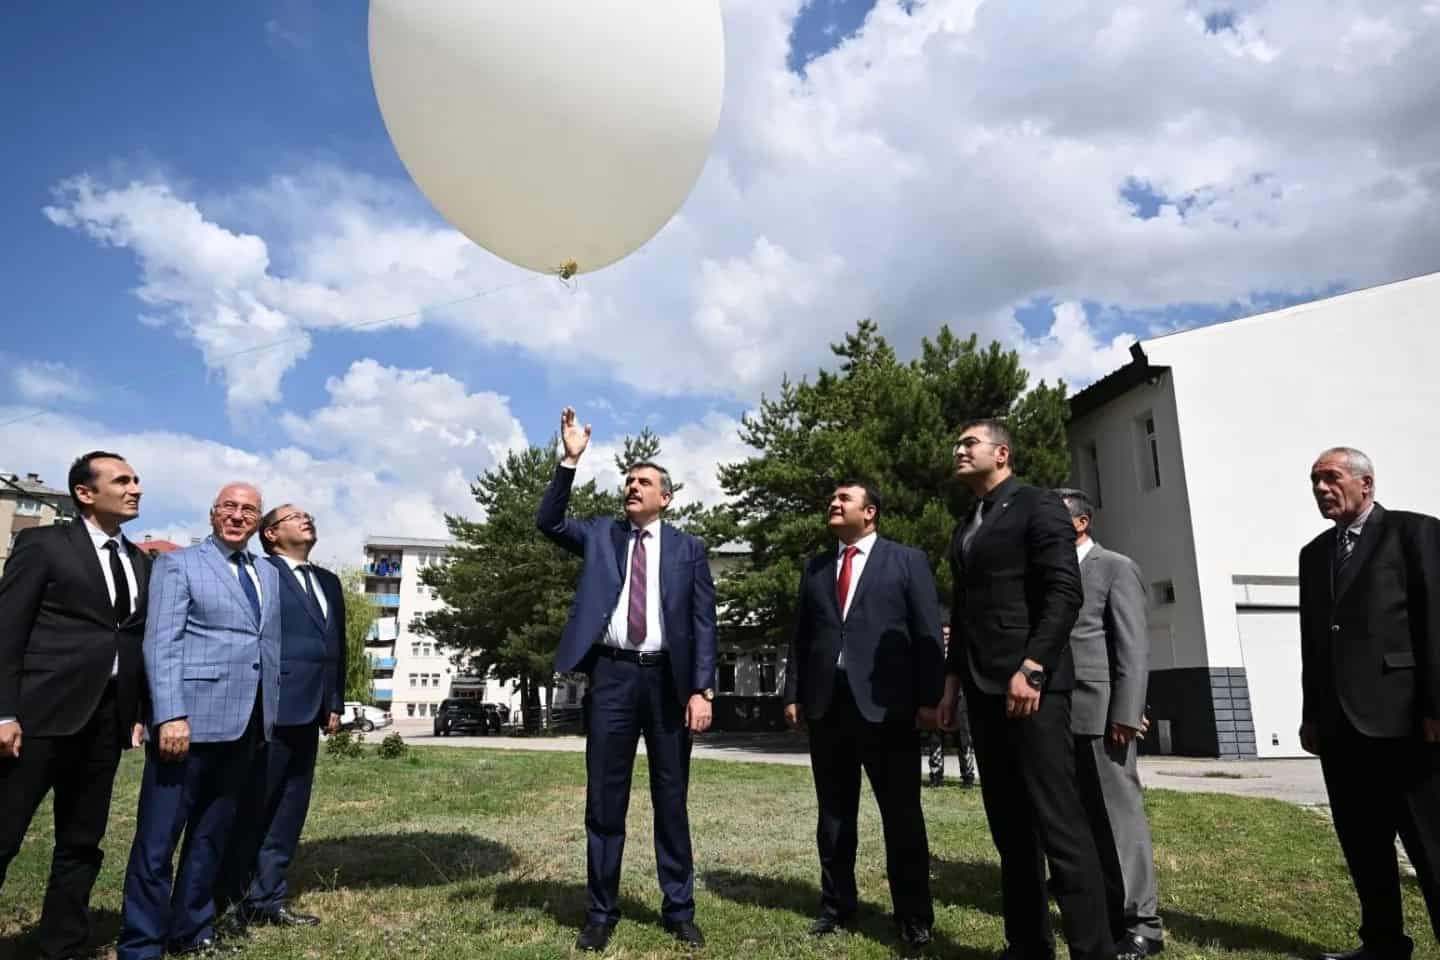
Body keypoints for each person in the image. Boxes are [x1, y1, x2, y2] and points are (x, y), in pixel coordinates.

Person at [537, 407, 717, 952]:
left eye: (644, 482)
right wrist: (570, 460)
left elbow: (704, 623)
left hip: (667, 682)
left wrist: (701, 688)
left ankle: (679, 908)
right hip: (612, 679)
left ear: (666, 496)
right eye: (628, 481)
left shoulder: (690, 549)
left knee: (671, 797)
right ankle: (600, 910)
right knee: (604, 799)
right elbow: (548, 522)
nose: (632, 488)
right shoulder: (599, 536)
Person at [938, 419, 1113, 960]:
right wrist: (951, 686)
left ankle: (1092, 948)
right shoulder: (969, 520)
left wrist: (1033, 666)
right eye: (958, 444)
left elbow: (1064, 592)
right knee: (1010, 828)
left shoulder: (1038, 506)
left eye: (970, 443)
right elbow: (965, 612)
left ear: (1002, 452)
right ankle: (1027, 945)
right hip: (982, 689)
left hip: (1031, 687)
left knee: (1058, 821)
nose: (959, 450)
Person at [117, 483, 282, 960]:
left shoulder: (265, 572)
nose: (238, 515)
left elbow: (264, 646)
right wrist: (169, 714)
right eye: (229, 506)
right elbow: (161, 643)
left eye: (248, 509)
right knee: (157, 842)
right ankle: (142, 942)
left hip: (244, 726)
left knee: (211, 837)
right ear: (212, 514)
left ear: (258, 521)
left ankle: (191, 930)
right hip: (186, 727)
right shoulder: (178, 564)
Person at [783, 479, 944, 951]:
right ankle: (836, 906)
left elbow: (927, 633)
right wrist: (793, 693)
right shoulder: (815, 569)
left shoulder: (906, 561)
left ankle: (913, 916)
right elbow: (801, 638)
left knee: (902, 817)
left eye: (844, 499)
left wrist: (930, 700)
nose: (833, 504)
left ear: (870, 512)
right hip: (827, 707)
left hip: (888, 710)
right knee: (833, 815)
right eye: (831, 499)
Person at [0, 452, 149, 960]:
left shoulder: (139, 560)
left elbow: (133, 640)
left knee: (82, 842)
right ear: (85, 493)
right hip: (37, 717)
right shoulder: (42, 544)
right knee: (4, 835)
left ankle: (60, 945)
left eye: (136, 480)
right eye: (122, 480)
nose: (135, 488)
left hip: (104, 721)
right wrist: (3, 712)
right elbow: (7, 630)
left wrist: (137, 712)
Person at [1299, 447, 1440, 960]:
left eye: (1331, 478)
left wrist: (1434, 708)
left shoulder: (1413, 533)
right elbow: (1313, 641)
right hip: (1339, 728)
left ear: (1367, 483)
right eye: (1314, 481)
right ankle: (1382, 944)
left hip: (1403, 723)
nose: (1320, 489)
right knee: (1364, 845)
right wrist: (1311, 713)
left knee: (1429, 844)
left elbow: (1434, 624)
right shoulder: (1314, 555)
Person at [218, 504, 345, 929]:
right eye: (294, 517)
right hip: (269, 706)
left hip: (311, 711)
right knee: (254, 805)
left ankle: (267, 899)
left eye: (309, 514)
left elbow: (334, 646)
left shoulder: (328, 581)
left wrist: (334, 700)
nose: (307, 519)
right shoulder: (260, 572)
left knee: (290, 809)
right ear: (270, 534)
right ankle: (230, 899)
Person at [1057, 488, 1163, 959]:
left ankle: (1143, 924)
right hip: (1057, 715)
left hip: (1104, 715)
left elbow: (1133, 646)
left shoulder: (1114, 566)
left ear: (1082, 523)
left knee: (1119, 819)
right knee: (1080, 820)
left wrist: (1126, 710)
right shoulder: (1049, 575)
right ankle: (1100, 908)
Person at [925, 623, 977, 788]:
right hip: (936, 699)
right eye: (943, 634)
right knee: (935, 739)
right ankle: (935, 776)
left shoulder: (959, 655)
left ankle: (968, 777)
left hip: (960, 700)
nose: (946, 637)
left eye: (948, 634)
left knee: (963, 740)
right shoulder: (933, 654)